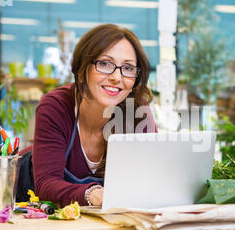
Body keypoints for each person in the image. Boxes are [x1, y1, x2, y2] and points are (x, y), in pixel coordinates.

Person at [31, 24, 157, 208]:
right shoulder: (56, 107)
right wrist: (94, 195)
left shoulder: (137, 111)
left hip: (108, 224)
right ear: (83, 70)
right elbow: (46, 184)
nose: (116, 77)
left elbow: (152, 175)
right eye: (105, 64)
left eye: (128, 68)